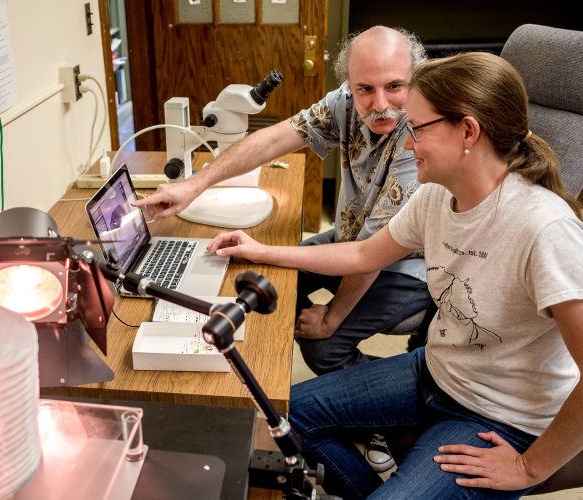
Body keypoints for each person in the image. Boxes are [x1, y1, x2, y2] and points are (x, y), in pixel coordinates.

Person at [205, 51, 583, 498]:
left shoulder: (545, 230)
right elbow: (364, 254)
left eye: (417, 129)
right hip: (436, 372)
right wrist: (261, 250)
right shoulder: (437, 197)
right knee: (282, 418)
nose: (406, 143)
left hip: (498, 418)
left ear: (468, 131)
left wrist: (528, 467)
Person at [135, 26, 432, 381]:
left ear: (414, 78)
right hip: (350, 242)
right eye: (365, 88)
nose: (380, 104)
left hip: (407, 266)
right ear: (351, 85)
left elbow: (368, 256)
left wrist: (331, 318)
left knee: (323, 346)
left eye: (395, 86)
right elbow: (275, 138)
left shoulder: (419, 139)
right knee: (262, 282)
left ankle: (410, 389)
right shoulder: (347, 103)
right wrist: (193, 185)